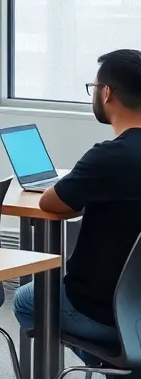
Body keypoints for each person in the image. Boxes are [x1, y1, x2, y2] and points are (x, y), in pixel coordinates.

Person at [14, 49, 141, 362]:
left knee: (25, 299)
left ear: (107, 93)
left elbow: (50, 201)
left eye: (94, 88)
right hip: (135, 310)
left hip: (103, 311)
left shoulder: (108, 157)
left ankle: (111, 363)